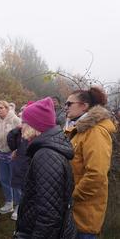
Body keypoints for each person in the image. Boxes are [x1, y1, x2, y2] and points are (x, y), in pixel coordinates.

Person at [15, 97, 76, 239]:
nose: (20, 126)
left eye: (24, 122)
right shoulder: (45, 151)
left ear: (36, 126)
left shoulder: (46, 156)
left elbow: (49, 216)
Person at [64, 87, 116, 239]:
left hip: (84, 214)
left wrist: (72, 196)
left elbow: (96, 175)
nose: (65, 107)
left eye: (69, 103)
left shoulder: (95, 132)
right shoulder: (79, 129)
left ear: (84, 106)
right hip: (74, 211)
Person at [0, 100, 21, 215]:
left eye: (1, 108)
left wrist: (17, 151)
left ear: (7, 108)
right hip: (1, 155)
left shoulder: (16, 120)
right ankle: (9, 203)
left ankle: (18, 205)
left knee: (15, 181)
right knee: (4, 180)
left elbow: (23, 138)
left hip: (14, 155)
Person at [7, 103, 32, 221]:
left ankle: (26, 208)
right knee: (17, 185)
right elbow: (12, 143)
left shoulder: (35, 132)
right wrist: (15, 131)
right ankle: (18, 206)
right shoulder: (19, 131)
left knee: (27, 188)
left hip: (29, 163)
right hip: (19, 161)